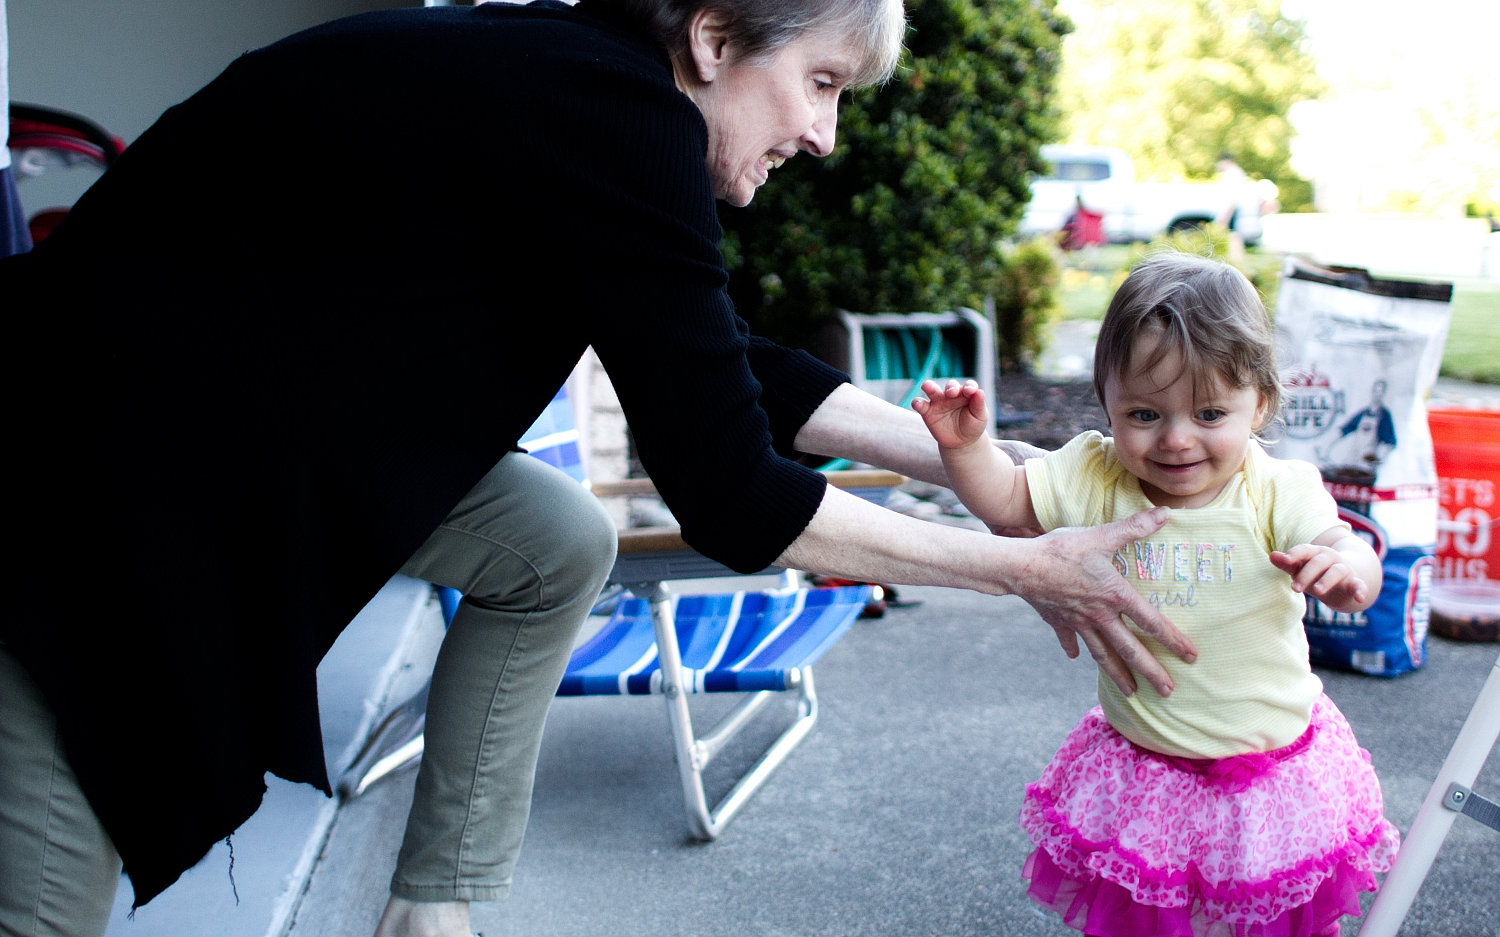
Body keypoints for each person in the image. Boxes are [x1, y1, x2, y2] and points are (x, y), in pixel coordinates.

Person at [0, 2, 1198, 936]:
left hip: (217, 436)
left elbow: (726, 362)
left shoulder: (579, 93)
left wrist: (985, 461)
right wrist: (1023, 566)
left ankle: (431, 905)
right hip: (70, 491)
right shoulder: (616, 117)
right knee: (49, 897)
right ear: (714, 39)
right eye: (823, 83)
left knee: (551, 538)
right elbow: (731, 490)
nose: (824, 134)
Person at [914, 251, 1400, 937]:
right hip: (1147, 773)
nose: (1175, 439)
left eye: (1209, 412)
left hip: (1268, 775)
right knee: (1152, 919)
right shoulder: (1096, 473)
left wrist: (1349, 573)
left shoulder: (1274, 488)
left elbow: (1344, 546)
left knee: (1269, 919)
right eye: (1144, 413)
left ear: (1259, 404)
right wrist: (966, 450)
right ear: (1107, 401)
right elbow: (1008, 500)